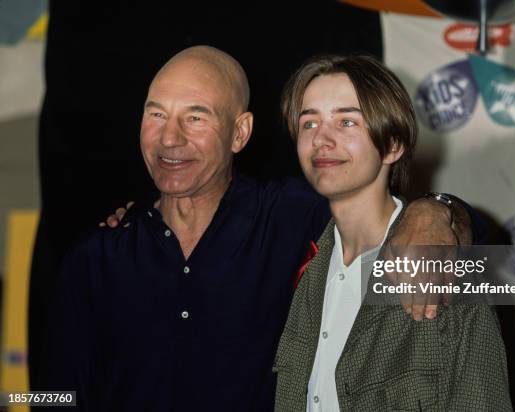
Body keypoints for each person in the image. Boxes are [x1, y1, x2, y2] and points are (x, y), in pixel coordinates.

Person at [40, 46, 475, 411]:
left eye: (195, 118)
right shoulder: (96, 256)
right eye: (156, 115)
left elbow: (488, 268)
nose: (169, 139)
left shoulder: (295, 216)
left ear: (239, 133)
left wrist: (434, 211)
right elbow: (51, 395)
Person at [273, 54, 511, 411]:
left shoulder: (446, 270)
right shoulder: (306, 269)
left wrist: (439, 209)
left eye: (346, 122)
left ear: (392, 145)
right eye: (309, 124)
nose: (321, 138)